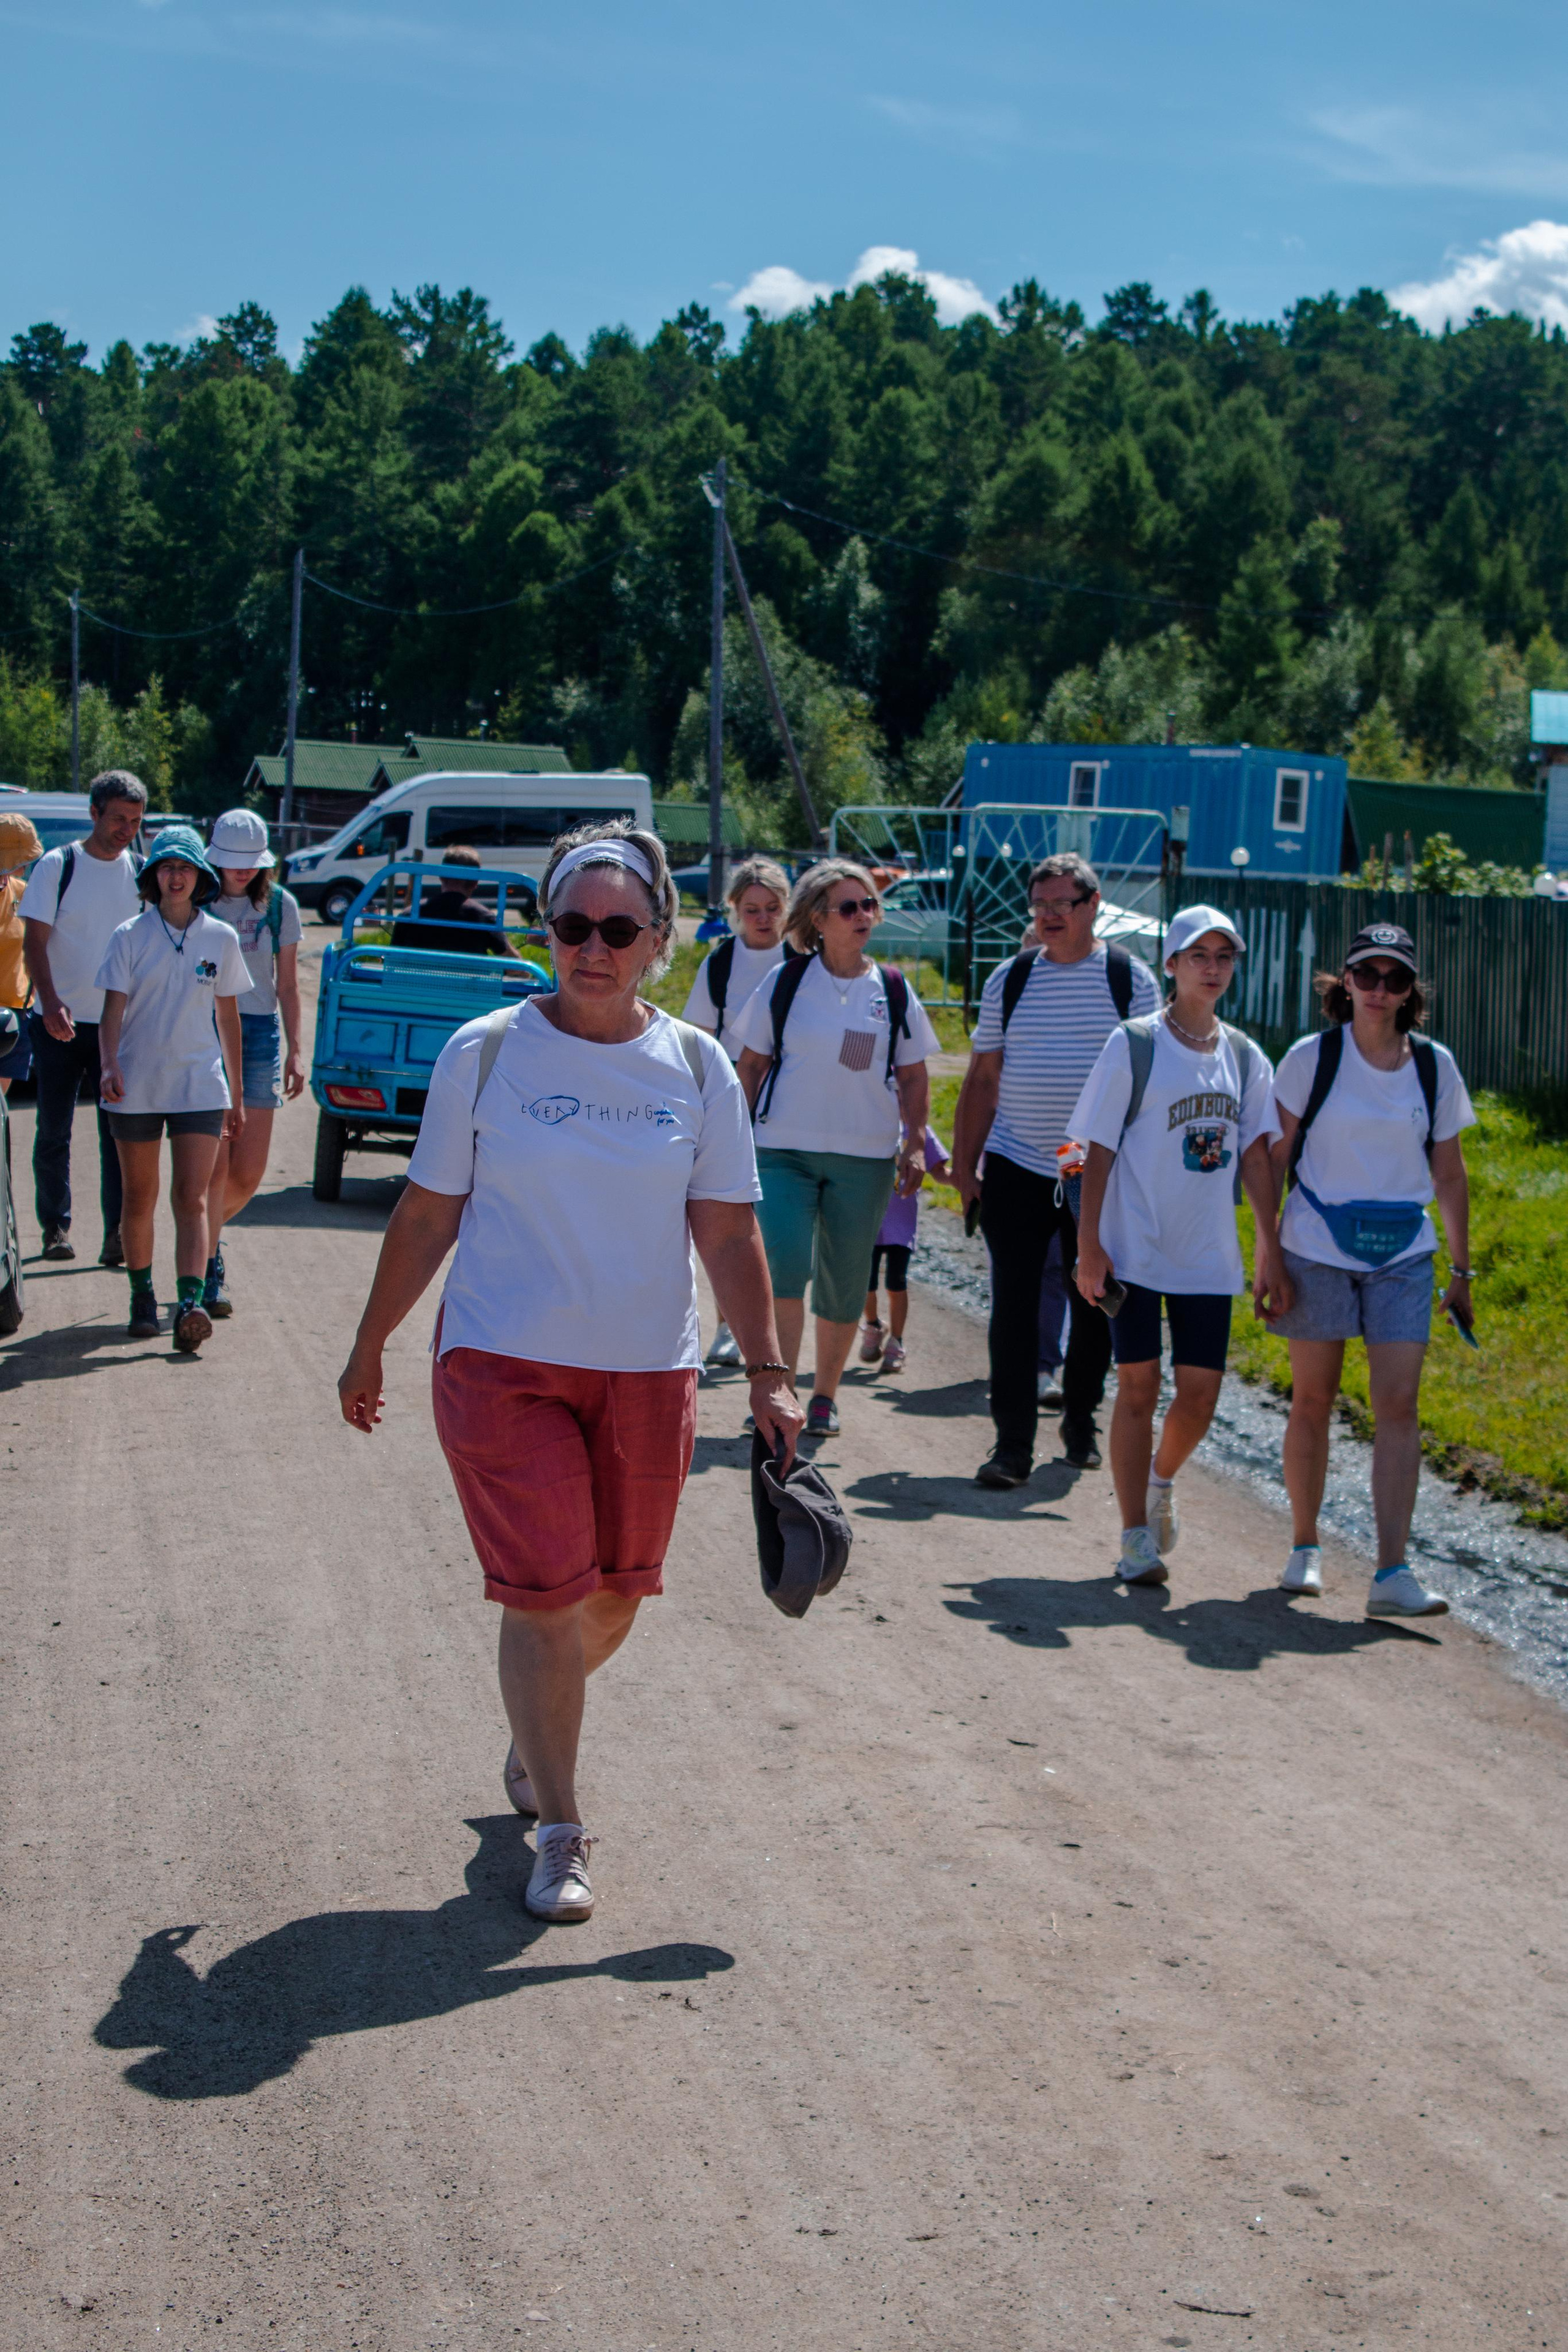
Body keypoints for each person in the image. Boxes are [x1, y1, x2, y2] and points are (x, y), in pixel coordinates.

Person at [337, 821, 802, 1927]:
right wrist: (371, 1342)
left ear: (656, 941)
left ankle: (533, 1727)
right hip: (501, 1361)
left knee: (615, 1593)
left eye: (617, 929)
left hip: (646, 1368)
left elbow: (730, 1233)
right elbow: (429, 1211)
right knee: (545, 1595)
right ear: (546, 929)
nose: (591, 947)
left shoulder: (694, 1068)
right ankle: (560, 1827)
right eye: (570, 926)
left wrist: (775, 1372)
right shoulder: (487, 1052)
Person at [1264, 922, 1475, 1619]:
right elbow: (1271, 1157)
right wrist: (1267, 1252)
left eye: (1395, 979)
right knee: (1312, 1400)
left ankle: (1391, 1571)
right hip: (1317, 1245)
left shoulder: (1434, 1067)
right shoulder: (1309, 1058)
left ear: (1410, 990)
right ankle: (1303, 1548)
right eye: (1366, 975)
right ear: (1343, 982)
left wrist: (1463, 1270)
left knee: (1399, 1408)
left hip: (1404, 1256)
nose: (1379, 990)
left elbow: (1448, 1171)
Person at [1070, 905, 1285, 1586]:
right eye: (1199, 956)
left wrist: (1269, 1248)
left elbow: (1255, 1156)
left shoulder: (1245, 1056)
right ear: (1171, 965)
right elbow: (1091, 1151)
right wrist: (1089, 1246)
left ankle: (1161, 1482)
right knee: (1138, 1386)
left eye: (1224, 957)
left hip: (1205, 1254)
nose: (1213, 968)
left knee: (1199, 1398)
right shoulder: (1133, 1043)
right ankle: (1134, 1535)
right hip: (1132, 1247)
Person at [952, 851, 1159, 1487]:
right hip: (1017, 1158)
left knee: (1093, 1298)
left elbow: (1151, 1086)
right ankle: (1011, 1444)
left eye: (1059, 905)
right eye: (1038, 906)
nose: (1046, 917)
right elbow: (983, 1078)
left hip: (1089, 1170)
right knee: (1013, 1305)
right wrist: (965, 1167)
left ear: (1092, 906)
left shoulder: (1130, 980)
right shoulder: (1010, 979)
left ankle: (1080, 1423)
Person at [734, 859, 940, 1439]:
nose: (864, 916)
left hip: (865, 1158)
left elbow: (916, 1074)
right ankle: (779, 1391)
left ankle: (824, 1396)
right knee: (783, 1270)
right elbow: (750, 1065)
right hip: (782, 1152)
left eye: (870, 905)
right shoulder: (787, 982)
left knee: (846, 1280)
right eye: (850, 907)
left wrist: (916, 1143)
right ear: (818, 919)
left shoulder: (893, 989)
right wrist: (733, 1140)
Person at [96, 826, 249, 1352]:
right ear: (152, 878)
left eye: (185, 868)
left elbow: (228, 1018)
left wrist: (236, 1090)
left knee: (192, 1196)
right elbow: (112, 1010)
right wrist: (108, 1065)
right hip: (135, 1085)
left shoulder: (220, 939)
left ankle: (190, 1304)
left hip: (199, 1086)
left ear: (200, 878)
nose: (175, 876)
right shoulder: (129, 936)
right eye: (166, 868)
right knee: (140, 1196)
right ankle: (142, 1297)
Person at [19, 768, 146, 1263]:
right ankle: (55, 1227)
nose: (126, 830)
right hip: (58, 1023)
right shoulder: (58, 865)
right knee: (54, 1129)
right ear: (94, 814)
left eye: (135, 821)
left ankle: (117, 1235)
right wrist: (49, 1002)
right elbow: (35, 942)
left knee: (119, 1134)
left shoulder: (141, 873)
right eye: (118, 818)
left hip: (119, 1028)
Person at [682, 855, 790, 1365]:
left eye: (772, 908)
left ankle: (769, 1336)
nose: (763, 918)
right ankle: (728, 1327)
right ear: (734, 910)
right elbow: (700, 1038)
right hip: (731, 1093)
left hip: (789, 1096)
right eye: (752, 909)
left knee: (772, 1224)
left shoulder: (801, 961)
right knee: (730, 1218)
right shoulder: (720, 963)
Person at [202, 808, 307, 1318]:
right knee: (217, 1168)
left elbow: (287, 984)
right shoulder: (198, 899)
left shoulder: (279, 905)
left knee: (247, 1175)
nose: (241, 872)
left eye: (250, 863)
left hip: (260, 1033)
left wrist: (297, 1049)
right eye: (232, 863)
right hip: (205, 1033)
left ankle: (195, 1232)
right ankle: (204, 1266)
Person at [860, 1125, 951, 1373]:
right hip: (866, 1219)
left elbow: (939, 1171)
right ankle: (873, 1325)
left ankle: (896, 1343)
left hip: (901, 1223)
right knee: (864, 1284)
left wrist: (966, 1179)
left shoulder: (917, 1131)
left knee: (896, 1282)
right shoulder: (867, 1119)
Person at [390, 845, 527, 959]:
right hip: (470, 990)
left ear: (441, 877)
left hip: (416, 989)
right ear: (476, 882)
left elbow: (391, 960)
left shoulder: (409, 915)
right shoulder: (485, 919)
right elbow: (517, 967)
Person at [0, 812, 43, 1098]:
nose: (21, 871)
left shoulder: (24, 893)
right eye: (17, 863)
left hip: (14, 1017)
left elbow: (41, 947)